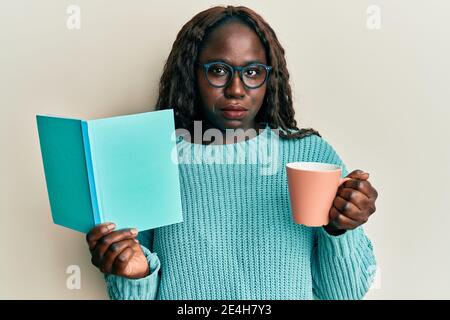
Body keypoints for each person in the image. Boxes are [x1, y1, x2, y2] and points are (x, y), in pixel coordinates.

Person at [86, 5, 378, 300]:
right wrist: (135, 273)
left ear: (269, 77)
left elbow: (344, 293)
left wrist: (342, 230)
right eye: (218, 70)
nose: (236, 89)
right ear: (191, 73)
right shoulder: (154, 158)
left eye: (252, 72)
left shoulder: (308, 155)